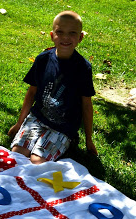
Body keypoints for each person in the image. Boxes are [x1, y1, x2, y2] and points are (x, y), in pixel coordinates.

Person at [8, 10, 98, 164]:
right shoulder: (43, 60)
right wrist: (19, 123)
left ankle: (66, 143)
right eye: (60, 32)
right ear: (52, 35)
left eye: (72, 33)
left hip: (63, 128)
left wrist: (89, 139)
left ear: (80, 37)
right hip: (36, 119)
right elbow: (31, 93)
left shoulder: (83, 68)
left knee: (37, 161)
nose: (65, 38)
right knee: (17, 155)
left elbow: (86, 105)